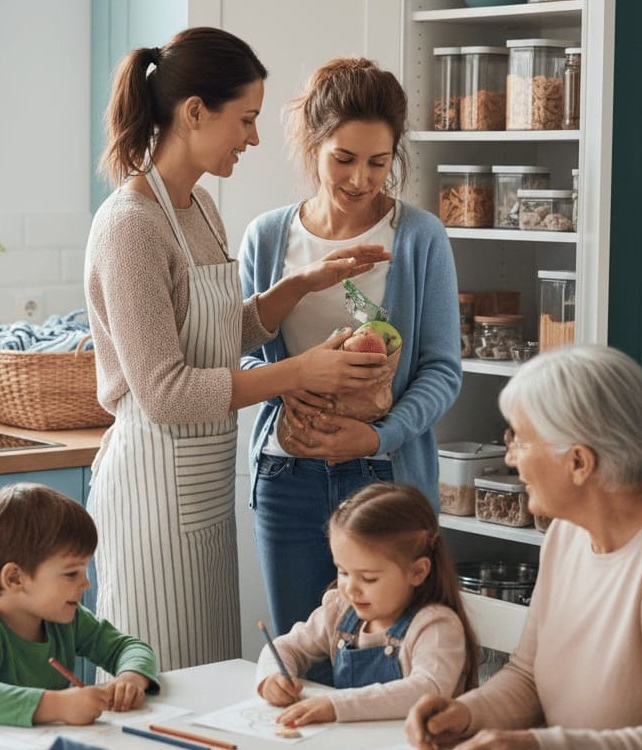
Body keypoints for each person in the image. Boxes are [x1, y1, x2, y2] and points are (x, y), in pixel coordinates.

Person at [84, 29, 391, 672]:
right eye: (246, 119)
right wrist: (295, 373)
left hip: (201, 484)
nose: (253, 138)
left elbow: (224, 332)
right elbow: (165, 392)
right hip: (151, 491)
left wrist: (303, 284)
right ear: (195, 112)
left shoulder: (197, 208)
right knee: (157, 682)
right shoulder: (130, 226)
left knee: (207, 680)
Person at [406, 344, 642, 750]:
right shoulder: (566, 533)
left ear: (578, 462)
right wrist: (467, 712)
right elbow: (527, 676)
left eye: (520, 440)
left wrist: (538, 745)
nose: (510, 458)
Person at [239, 57, 462, 639]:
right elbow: (234, 354)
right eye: (344, 158)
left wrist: (378, 435)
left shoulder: (418, 238)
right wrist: (290, 381)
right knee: (300, 653)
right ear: (313, 144)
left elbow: (441, 370)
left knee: (385, 660)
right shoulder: (268, 238)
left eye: (378, 162)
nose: (361, 179)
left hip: (384, 478)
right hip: (288, 476)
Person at [0, 483, 159, 727]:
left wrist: (131, 678)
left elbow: (130, 648)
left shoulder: (65, 619)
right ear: (14, 578)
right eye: (71, 573)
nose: (86, 583)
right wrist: (59, 705)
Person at [255, 482, 479, 726]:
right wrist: (272, 677)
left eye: (368, 578)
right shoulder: (340, 610)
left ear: (417, 571)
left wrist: (336, 705)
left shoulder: (436, 626)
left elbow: (426, 690)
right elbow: (286, 647)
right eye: (342, 572)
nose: (351, 588)